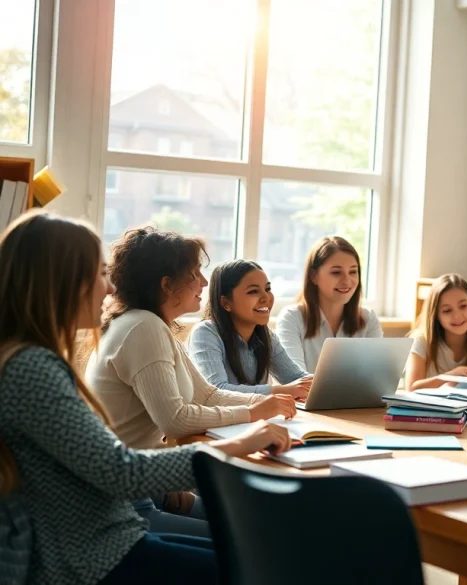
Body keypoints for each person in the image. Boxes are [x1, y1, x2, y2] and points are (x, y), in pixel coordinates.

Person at [0, 210, 293, 585]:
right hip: (95, 555)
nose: (109, 288)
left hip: (113, 533)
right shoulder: (31, 368)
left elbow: (105, 467)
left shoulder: (33, 359)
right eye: (99, 273)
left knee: (263, 552)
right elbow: (121, 471)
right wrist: (240, 444)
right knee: (267, 562)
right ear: (60, 281)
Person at [85, 227, 296, 537]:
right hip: (123, 503)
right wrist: (253, 413)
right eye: (195, 274)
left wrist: (263, 403)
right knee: (257, 537)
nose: (205, 282)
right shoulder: (143, 327)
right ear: (167, 285)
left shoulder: (149, 323)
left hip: (149, 489)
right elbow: (175, 420)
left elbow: (206, 394)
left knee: (260, 523)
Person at [188, 260, 312, 399]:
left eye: (267, 289)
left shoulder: (266, 336)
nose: (266, 298)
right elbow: (217, 391)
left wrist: (326, 382)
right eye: (253, 291)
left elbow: (296, 378)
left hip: (259, 413)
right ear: (226, 303)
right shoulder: (205, 333)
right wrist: (283, 391)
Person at [276, 236, 383, 372]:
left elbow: (378, 374)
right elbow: (294, 378)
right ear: (314, 276)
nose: (347, 280)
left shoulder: (368, 318)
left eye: (353, 271)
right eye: (336, 272)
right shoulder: (292, 318)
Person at [405, 274, 467, 390]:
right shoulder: (421, 341)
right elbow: (411, 388)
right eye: (447, 310)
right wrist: (451, 376)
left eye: (463, 306)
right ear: (436, 316)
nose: (457, 316)